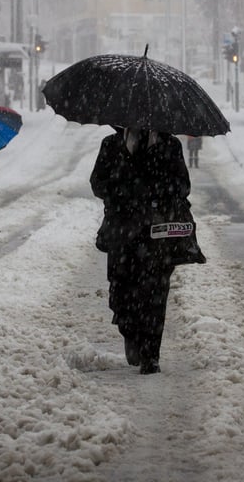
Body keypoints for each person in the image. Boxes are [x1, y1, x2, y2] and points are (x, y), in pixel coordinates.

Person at [90, 126, 204, 375]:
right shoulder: (111, 144)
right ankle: (131, 335)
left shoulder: (169, 144)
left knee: (155, 294)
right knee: (120, 292)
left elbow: (183, 186)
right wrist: (123, 190)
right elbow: (97, 183)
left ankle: (151, 354)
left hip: (157, 236)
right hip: (121, 235)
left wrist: (156, 192)